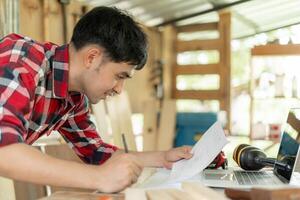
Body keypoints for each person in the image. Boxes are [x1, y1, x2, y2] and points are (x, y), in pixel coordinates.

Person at [0, 6, 192, 193]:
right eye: (120, 76)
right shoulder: (22, 60)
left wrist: (162, 158)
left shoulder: (74, 100)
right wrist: (99, 177)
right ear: (92, 57)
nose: (119, 90)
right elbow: (4, 151)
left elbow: (96, 152)